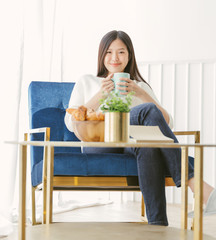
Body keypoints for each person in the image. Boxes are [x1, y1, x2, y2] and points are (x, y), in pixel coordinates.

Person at [64, 30, 216, 226]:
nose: (115, 58)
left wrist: (142, 94)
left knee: (148, 144)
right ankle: (197, 186)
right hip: (99, 143)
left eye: (121, 52)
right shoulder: (87, 81)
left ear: (129, 56)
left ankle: (157, 226)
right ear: (101, 55)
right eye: (109, 52)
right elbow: (70, 123)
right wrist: (100, 95)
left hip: (130, 145)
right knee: (147, 112)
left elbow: (167, 124)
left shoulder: (138, 86)